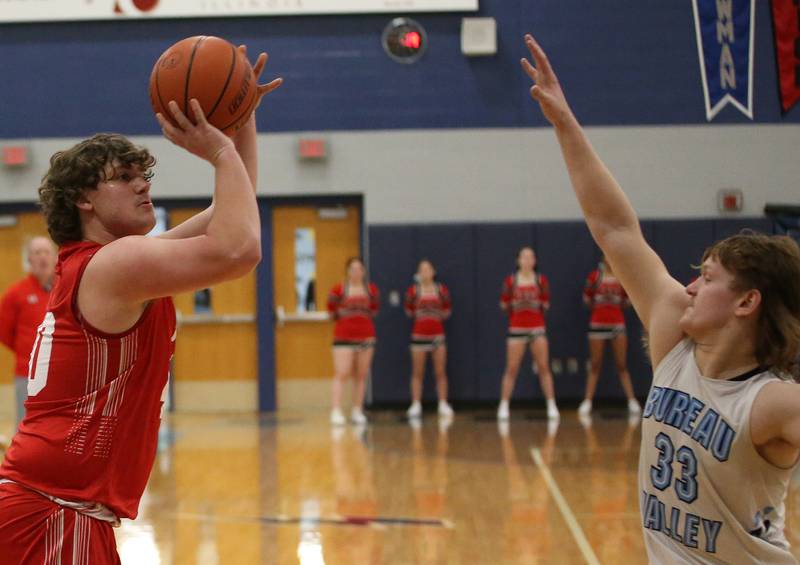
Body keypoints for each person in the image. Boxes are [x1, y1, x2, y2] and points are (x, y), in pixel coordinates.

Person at [521, 33, 800, 563]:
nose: (689, 286)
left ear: (747, 303)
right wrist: (565, 124)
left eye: (709, 278)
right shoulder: (675, 335)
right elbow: (615, 228)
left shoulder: (770, 401)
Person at [0, 48, 281, 563]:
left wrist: (241, 121)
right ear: (84, 200)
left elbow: (233, 211)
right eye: (124, 177)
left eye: (143, 174)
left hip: (60, 509)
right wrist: (219, 153)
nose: (143, 184)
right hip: (52, 514)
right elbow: (241, 248)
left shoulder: (107, 264)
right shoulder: (115, 266)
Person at [0, 237, 57, 434]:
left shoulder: (62, 291)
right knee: (26, 426)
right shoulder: (16, 293)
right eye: (37, 252)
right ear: (29, 259)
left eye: (46, 252)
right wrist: (28, 349)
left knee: (56, 425)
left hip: (59, 372)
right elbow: (3, 331)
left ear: (55, 258)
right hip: (27, 373)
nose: (42, 257)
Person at [497, 246, 559, 420]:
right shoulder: (511, 281)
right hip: (516, 329)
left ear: (534, 261)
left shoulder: (541, 281)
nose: (527, 260)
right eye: (524, 257)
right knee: (511, 368)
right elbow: (504, 304)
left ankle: (551, 404)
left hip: (537, 329)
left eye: (530, 257)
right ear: (518, 260)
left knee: (543, 367)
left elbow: (545, 305)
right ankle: (503, 404)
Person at [578, 255, 641, 416]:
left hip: (617, 325)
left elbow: (628, 300)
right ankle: (587, 401)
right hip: (597, 325)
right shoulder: (595, 277)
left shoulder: (622, 276)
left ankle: (631, 400)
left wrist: (615, 308)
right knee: (595, 364)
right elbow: (587, 299)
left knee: (622, 364)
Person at [327, 258, 380, 426]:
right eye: (352, 269)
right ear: (348, 271)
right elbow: (331, 311)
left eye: (359, 269)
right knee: (341, 373)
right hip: (343, 337)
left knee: (361, 375)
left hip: (366, 337)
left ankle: (357, 410)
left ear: (363, 272)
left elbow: (374, 310)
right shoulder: (338, 289)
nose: (356, 272)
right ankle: (336, 410)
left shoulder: (371, 290)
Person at [404, 259, 454, 420]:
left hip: (438, 336)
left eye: (428, 269)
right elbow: (409, 311)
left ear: (433, 272)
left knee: (440, 371)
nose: (425, 272)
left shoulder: (441, 290)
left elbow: (447, 310)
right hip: (418, 336)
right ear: (418, 273)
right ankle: (416, 403)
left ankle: (443, 403)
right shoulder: (413, 291)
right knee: (417, 372)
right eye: (422, 270)